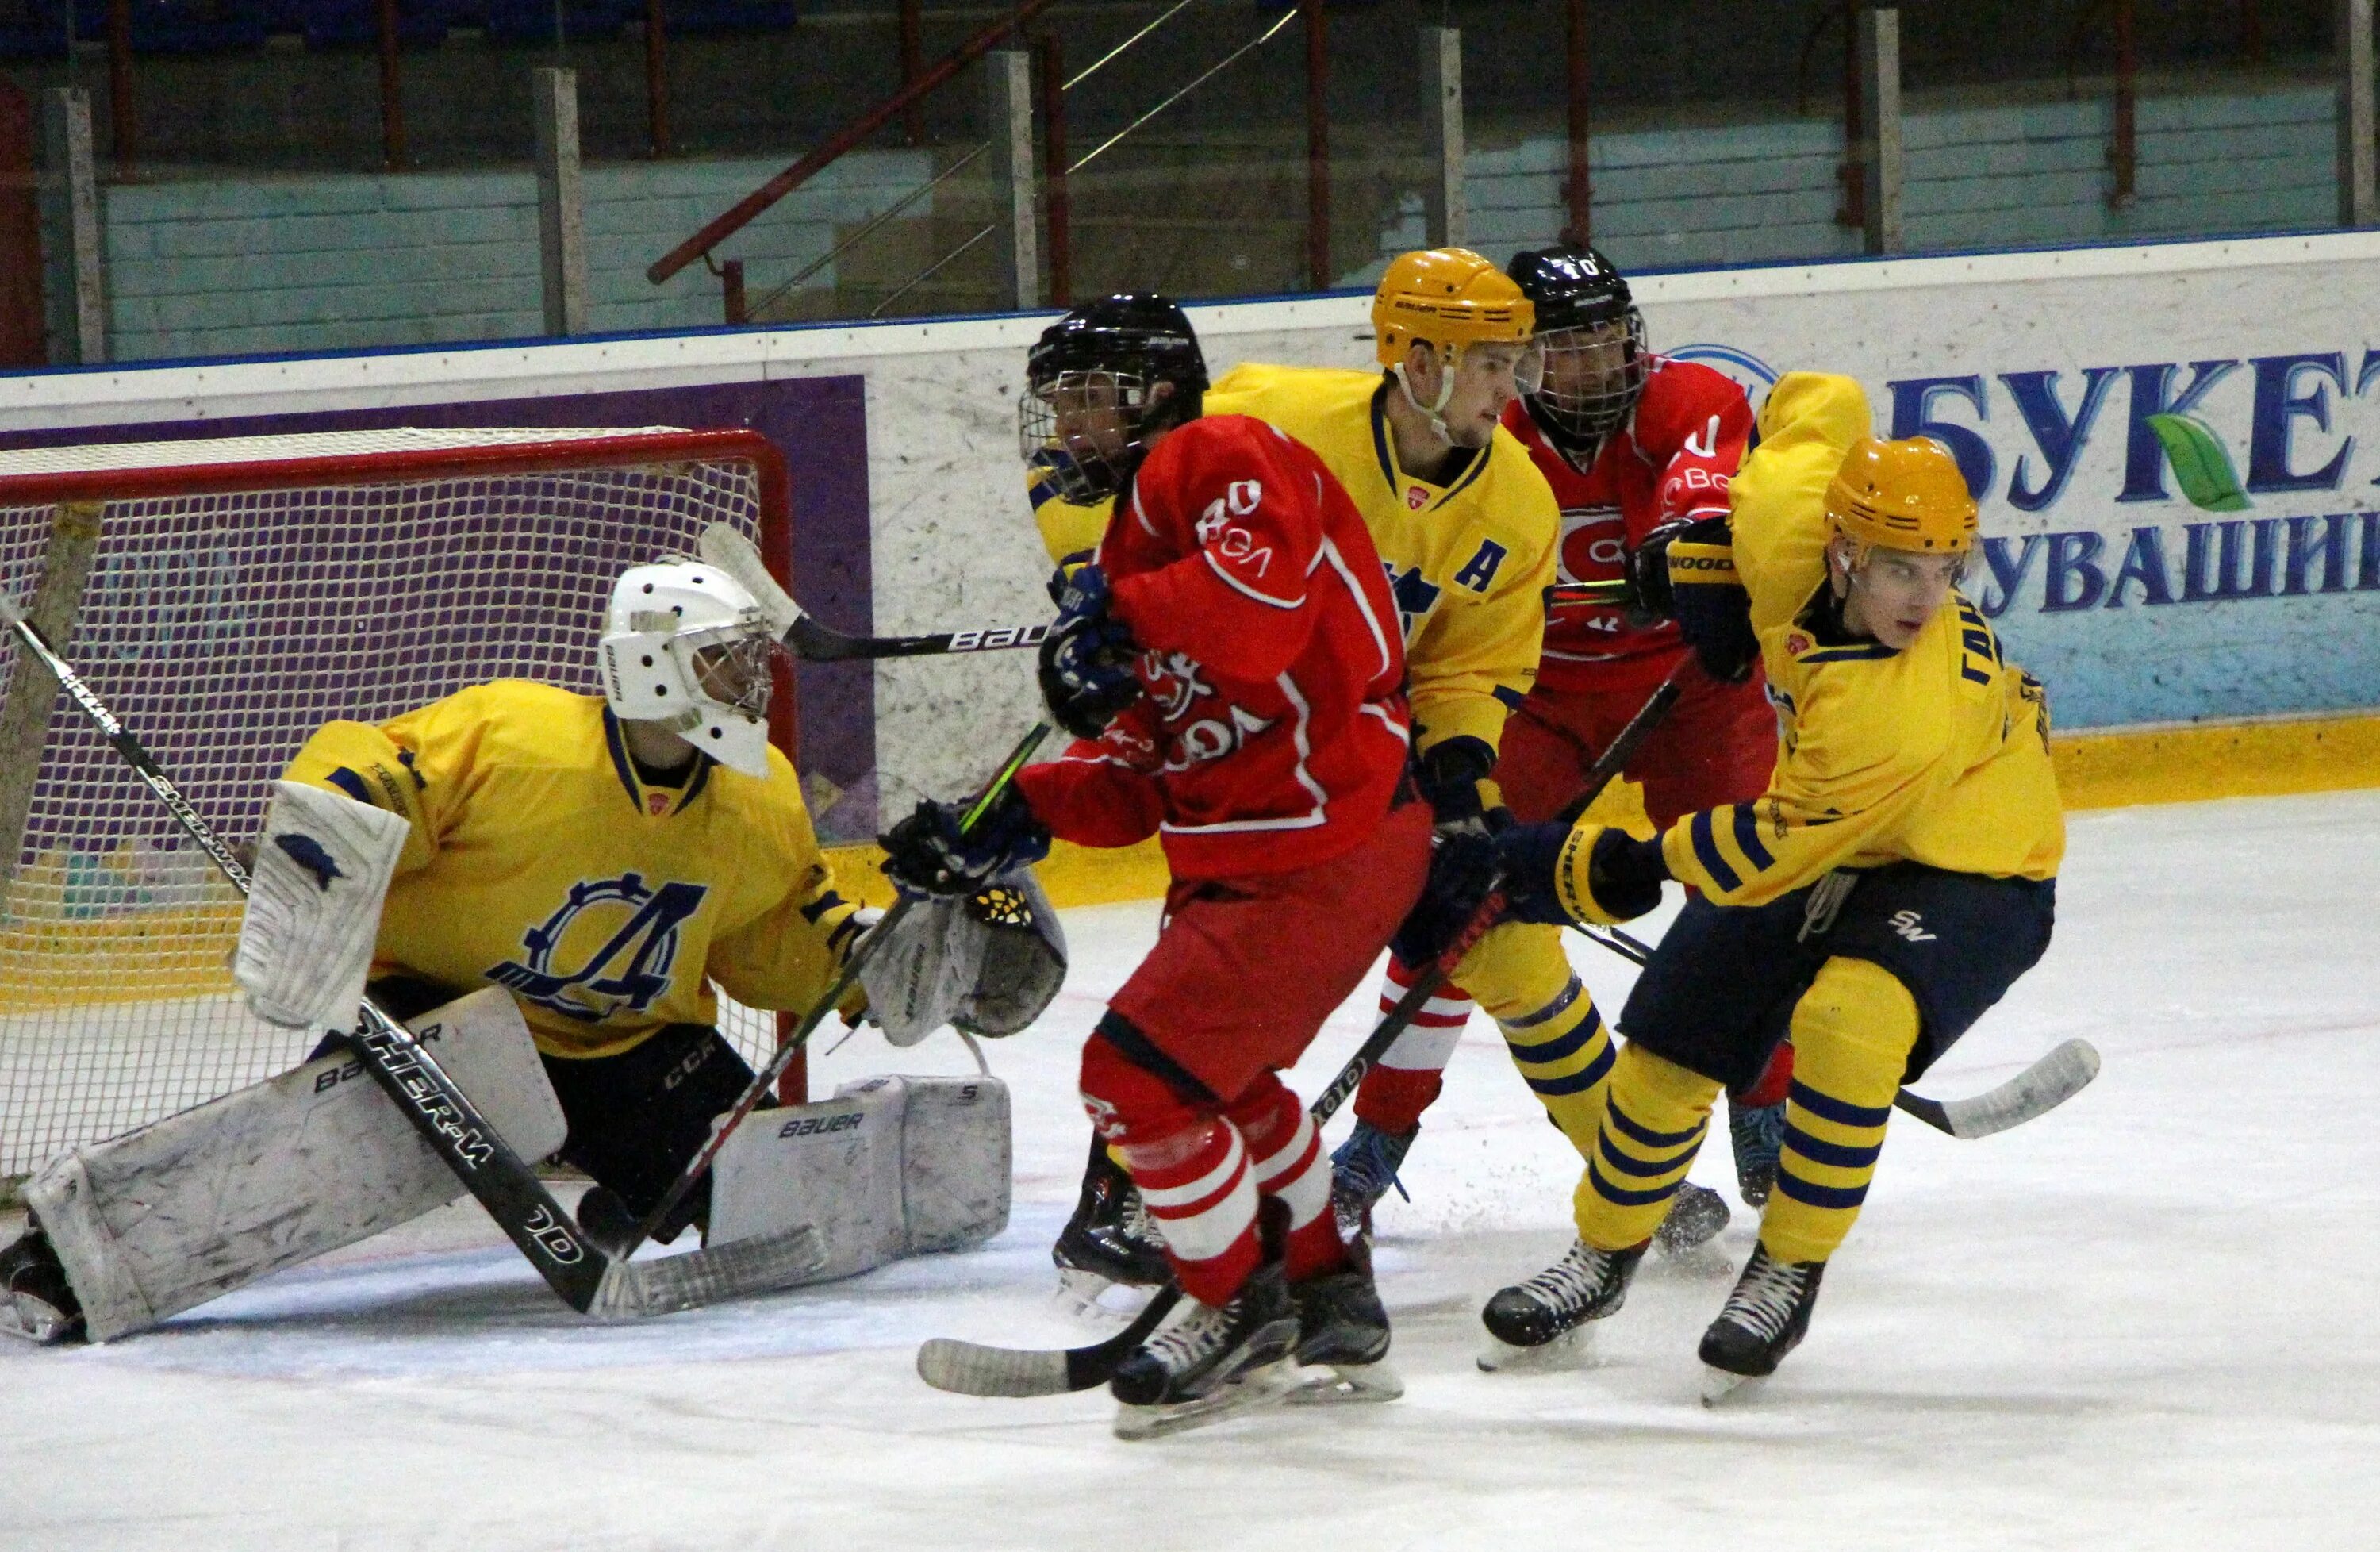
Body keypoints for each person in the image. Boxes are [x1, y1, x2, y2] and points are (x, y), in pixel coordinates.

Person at [1029, 257, 1733, 1309]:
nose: (1516, 389)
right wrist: (1102, 586)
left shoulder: (1517, 505)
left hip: (1371, 752)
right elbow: (1134, 471)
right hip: (1250, 741)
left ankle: (1640, 1174)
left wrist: (1459, 790)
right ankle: (1121, 1197)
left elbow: (1472, 668)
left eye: (1520, 361)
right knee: (1208, 975)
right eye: (1497, 363)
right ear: (1417, 360)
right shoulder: (1277, 415)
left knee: (1502, 943)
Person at [1, 559, 871, 1343]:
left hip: (630, 1051)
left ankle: (632, 1206)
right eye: (723, 656)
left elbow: (766, 938)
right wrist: (331, 828)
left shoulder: (763, 798)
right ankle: (67, 1262)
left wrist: (866, 967)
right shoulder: (516, 735)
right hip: (446, 1022)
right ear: (653, 664)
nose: (750, 677)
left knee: (783, 1205)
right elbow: (381, 772)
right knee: (299, 1164)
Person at [884, 294, 1429, 1434]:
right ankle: (1333, 1295)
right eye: (1060, 402)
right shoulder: (1135, 535)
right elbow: (1142, 771)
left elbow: (1264, 609)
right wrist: (1006, 812)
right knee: (1227, 1087)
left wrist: (1120, 616)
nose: (1069, 424)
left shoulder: (1219, 451)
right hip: (1261, 848)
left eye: (1090, 396)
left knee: (1132, 1080)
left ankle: (1235, 1308)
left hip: (1331, 838)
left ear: (1155, 389)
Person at [1479, 372, 2064, 1396]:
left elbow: (1775, 845)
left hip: (1977, 863)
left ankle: (1785, 1270)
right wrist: (1701, 538)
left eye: (1946, 570)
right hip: (1834, 835)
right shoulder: (1790, 521)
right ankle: (1604, 1254)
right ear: (1838, 550)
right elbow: (1816, 404)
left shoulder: (1902, 707)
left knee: (1848, 1019)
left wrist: (1613, 863)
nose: (1928, 600)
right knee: (1672, 1037)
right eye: (1899, 571)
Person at [1334, 244, 1791, 1224]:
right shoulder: (1481, 435)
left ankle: (1765, 1103)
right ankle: (1380, 1134)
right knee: (1459, 894)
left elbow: (1702, 482)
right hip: (1533, 694)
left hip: (1689, 683)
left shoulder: (1690, 396)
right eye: (1567, 350)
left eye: (1609, 343)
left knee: (1754, 889)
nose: (1596, 368)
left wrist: (1686, 544)